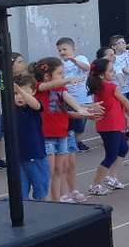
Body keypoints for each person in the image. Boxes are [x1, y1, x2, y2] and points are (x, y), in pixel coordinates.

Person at [33, 57, 98, 202]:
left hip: (62, 134)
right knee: (48, 172)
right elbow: (46, 86)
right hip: (46, 136)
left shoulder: (61, 89)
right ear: (47, 76)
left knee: (59, 170)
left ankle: (58, 200)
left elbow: (69, 99)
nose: (63, 77)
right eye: (60, 74)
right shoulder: (38, 87)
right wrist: (69, 79)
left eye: (63, 74)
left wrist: (82, 109)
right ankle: (46, 200)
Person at [85, 58, 129, 195]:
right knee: (111, 155)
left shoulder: (100, 87)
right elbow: (124, 100)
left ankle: (110, 177)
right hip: (109, 126)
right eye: (111, 70)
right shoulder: (110, 87)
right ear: (102, 74)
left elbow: (117, 103)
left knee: (123, 148)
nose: (113, 72)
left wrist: (125, 116)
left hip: (113, 124)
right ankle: (95, 185)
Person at [12, 74, 47, 200]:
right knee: (21, 190)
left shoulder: (33, 107)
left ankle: (41, 211)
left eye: (24, 93)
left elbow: (36, 105)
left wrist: (19, 89)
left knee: (41, 188)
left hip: (35, 154)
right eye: (15, 94)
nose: (19, 96)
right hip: (18, 156)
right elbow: (0, 95)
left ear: (33, 92)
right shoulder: (12, 109)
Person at [56, 37, 93, 152]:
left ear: (73, 48)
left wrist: (73, 60)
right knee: (72, 122)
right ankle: (71, 143)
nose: (62, 52)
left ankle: (77, 141)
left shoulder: (80, 58)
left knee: (81, 123)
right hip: (69, 97)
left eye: (64, 49)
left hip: (83, 96)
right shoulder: (60, 63)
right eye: (59, 50)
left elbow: (87, 68)